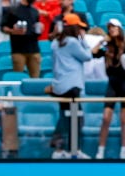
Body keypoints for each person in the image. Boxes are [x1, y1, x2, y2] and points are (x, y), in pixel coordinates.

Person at [49, 12, 90, 159]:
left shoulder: (55, 43)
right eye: (79, 27)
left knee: (65, 116)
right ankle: (73, 150)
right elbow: (87, 56)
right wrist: (83, 40)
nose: (81, 30)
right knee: (76, 118)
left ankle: (60, 149)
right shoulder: (73, 42)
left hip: (60, 86)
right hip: (72, 86)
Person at [92, 18, 125, 159]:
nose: (111, 29)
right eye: (110, 27)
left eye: (114, 27)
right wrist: (101, 41)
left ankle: (123, 150)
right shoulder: (107, 46)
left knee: (124, 120)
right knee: (106, 118)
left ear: (119, 29)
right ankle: (100, 151)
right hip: (112, 84)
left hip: (124, 84)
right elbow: (93, 52)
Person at [2, 0, 41, 78]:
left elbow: (36, 28)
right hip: (18, 50)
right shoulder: (12, 10)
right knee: (18, 77)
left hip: (34, 49)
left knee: (35, 78)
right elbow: (3, 27)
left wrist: (40, 29)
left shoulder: (35, 11)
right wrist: (13, 31)